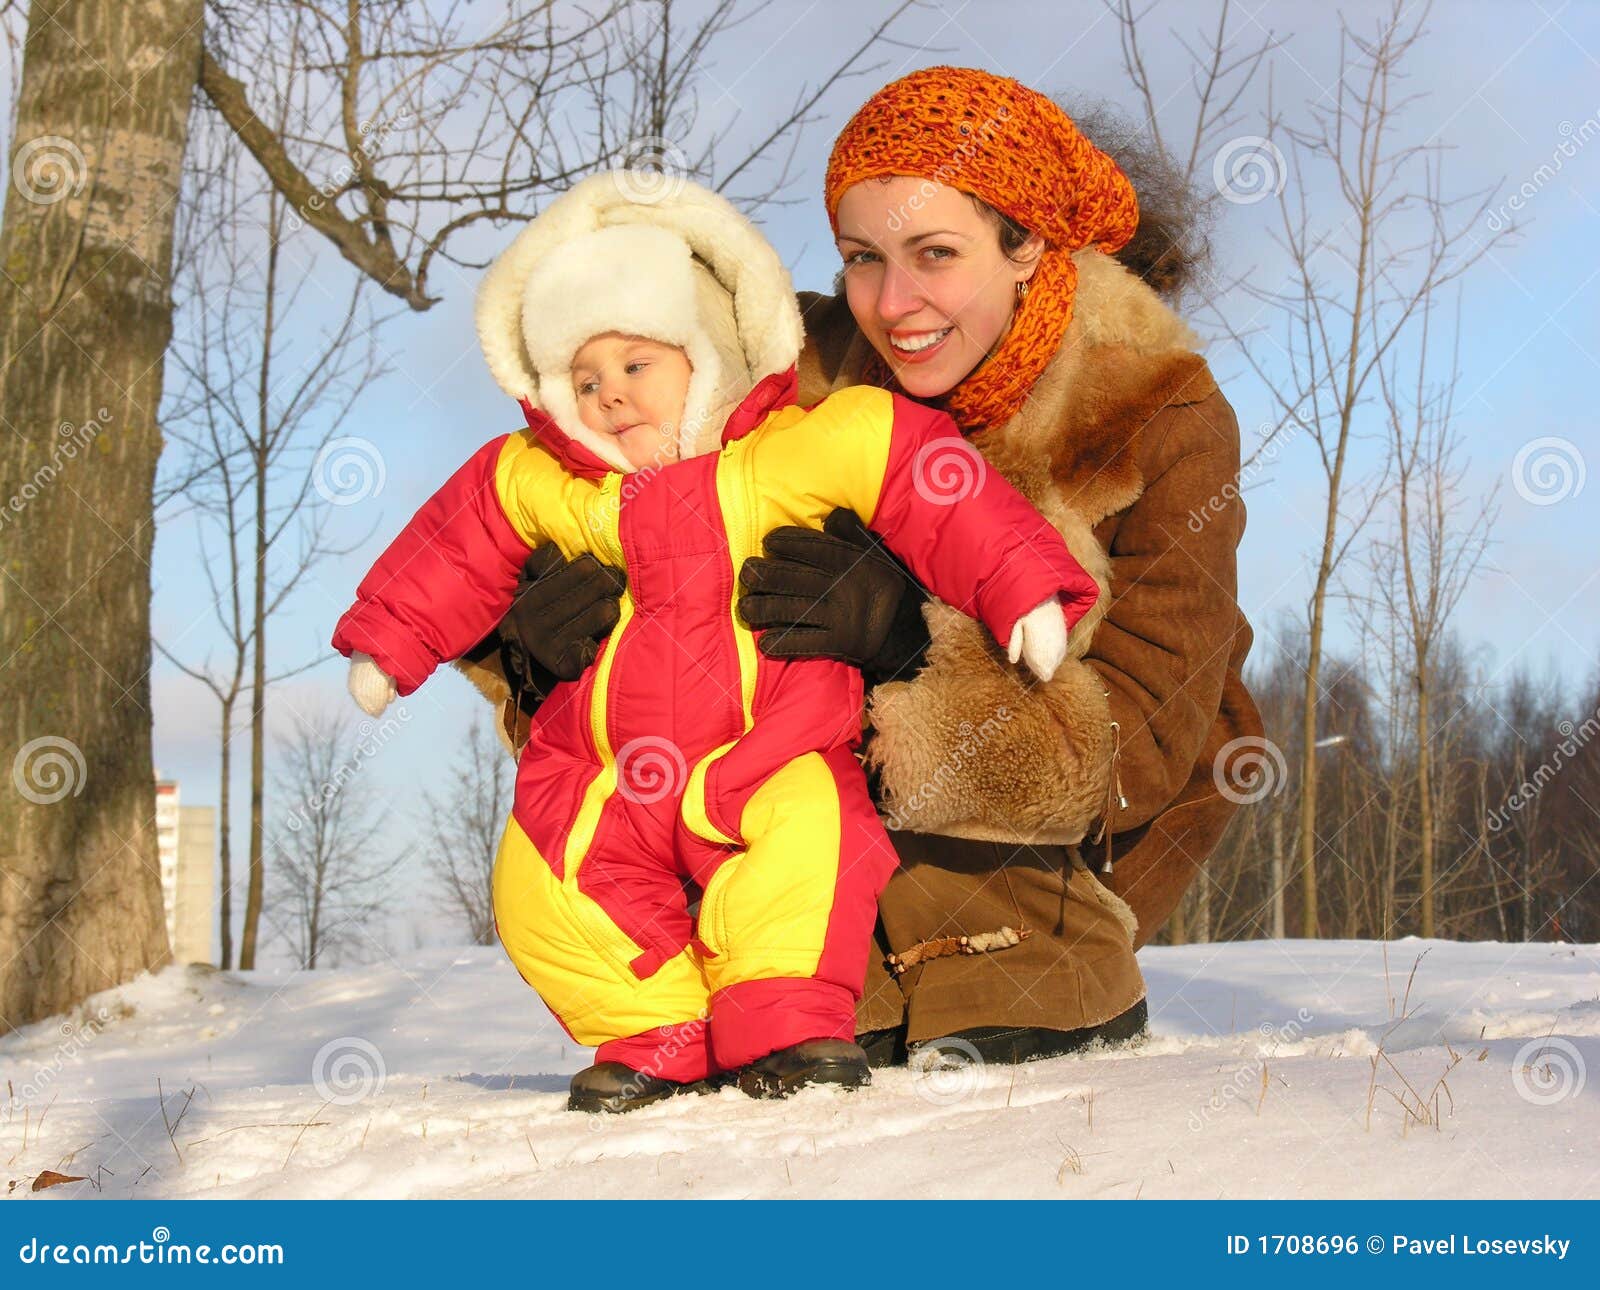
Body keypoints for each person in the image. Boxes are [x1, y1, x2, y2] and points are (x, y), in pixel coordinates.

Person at [481, 67, 1264, 1069]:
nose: (894, 304)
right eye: (862, 258)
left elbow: (1145, 749)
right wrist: (536, 661)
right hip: (769, 830)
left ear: (1024, 244)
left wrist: (912, 650)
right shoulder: (786, 370)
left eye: (935, 255)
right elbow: (604, 523)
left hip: (1046, 867)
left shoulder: (1161, 410)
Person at [331, 172, 1103, 1111]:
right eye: (584, 380)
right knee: (543, 880)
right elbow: (458, 541)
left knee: (805, 847)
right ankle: (653, 1026)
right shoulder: (542, 480)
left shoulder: (795, 445)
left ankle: (786, 1025)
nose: (611, 396)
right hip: (608, 771)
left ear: (706, 354)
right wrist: (431, 643)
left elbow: (927, 478)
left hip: (769, 757)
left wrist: (977, 606)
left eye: (636, 366)